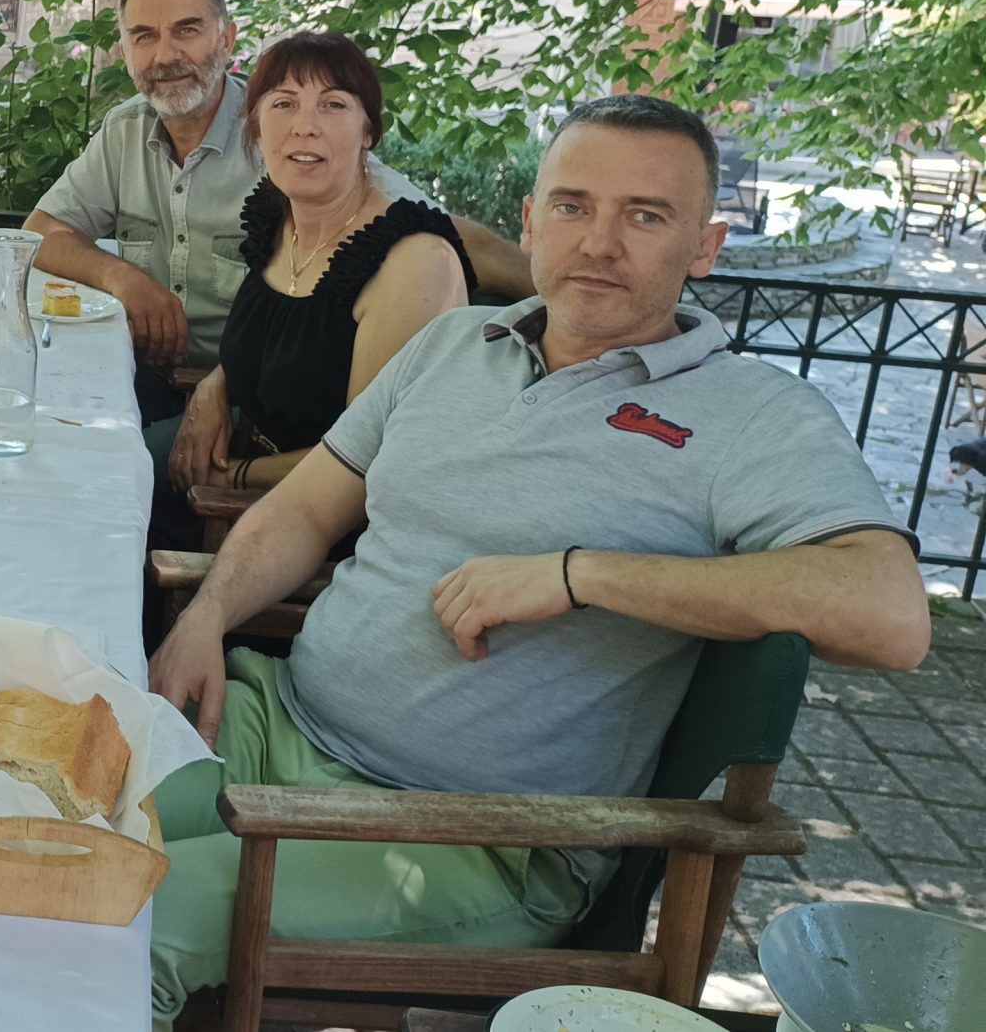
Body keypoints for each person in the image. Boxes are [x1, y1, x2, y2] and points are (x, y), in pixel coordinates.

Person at [141, 94, 933, 1030]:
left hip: (470, 841)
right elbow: (307, 510)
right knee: (37, 818)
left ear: (705, 246)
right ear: (529, 220)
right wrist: (206, 615)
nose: (599, 243)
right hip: (270, 724)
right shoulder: (451, 345)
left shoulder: (753, 414)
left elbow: (891, 616)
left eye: (646, 216)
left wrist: (578, 574)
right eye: (572, 206)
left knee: (125, 918)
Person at [22, 0, 532, 462]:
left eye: (187, 30)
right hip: (139, 372)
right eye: (144, 36)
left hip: (251, 404)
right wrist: (123, 279)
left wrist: (559, 303)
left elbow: (429, 230)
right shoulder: (126, 130)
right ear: (125, 51)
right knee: (24, 411)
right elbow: (41, 230)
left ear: (227, 39)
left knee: (82, 461)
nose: (165, 55)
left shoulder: (286, 136)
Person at [166, 32, 473, 507]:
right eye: (284, 104)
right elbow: (288, 343)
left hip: (337, 520)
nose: (305, 126)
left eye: (333, 105)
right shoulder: (277, 219)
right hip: (244, 472)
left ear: (368, 131)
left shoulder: (413, 263)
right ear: (256, 126)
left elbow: (366, 459)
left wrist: (234, 478)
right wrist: (215, 385)